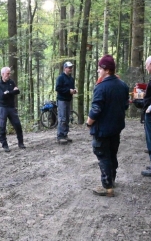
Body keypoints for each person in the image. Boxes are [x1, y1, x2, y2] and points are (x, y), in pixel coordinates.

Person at [86, 55, 129, 197]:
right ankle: (112, 179)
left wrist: (89, 122)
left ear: (106, 69)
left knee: (103, 155)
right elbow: (125, 106)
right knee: (112, 154)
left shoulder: (101, 87)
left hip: (102, 129)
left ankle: (107, 186)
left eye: (99, 68)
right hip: (116, 128)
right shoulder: (123, 85)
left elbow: (96, 109)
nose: (98, 71)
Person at [0, 67, 25, 152]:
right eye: (8, 73)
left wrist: (8, 92)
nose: (9, 75)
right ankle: (5, 145)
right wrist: (11, 92)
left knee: (17, 125)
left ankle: (21, 142)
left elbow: (17, 91)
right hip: (3, 108)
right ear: (2, 74)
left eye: (9, 73)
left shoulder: (11, 82)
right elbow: (1, 95)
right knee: (2, 127)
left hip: (11, 107)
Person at [55, 61, 77, 143]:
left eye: (71, 67)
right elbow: (58, 88)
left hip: (68, 100)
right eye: (69, 67)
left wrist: (74, 90)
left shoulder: (71, 79)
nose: (71, 69)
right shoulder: (60, 78)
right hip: (62, 100)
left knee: (67, 118)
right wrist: (68, 91)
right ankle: (60, 136)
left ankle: (65, 134)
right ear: (65, 68)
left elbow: (71, 88)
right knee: (62, 118)